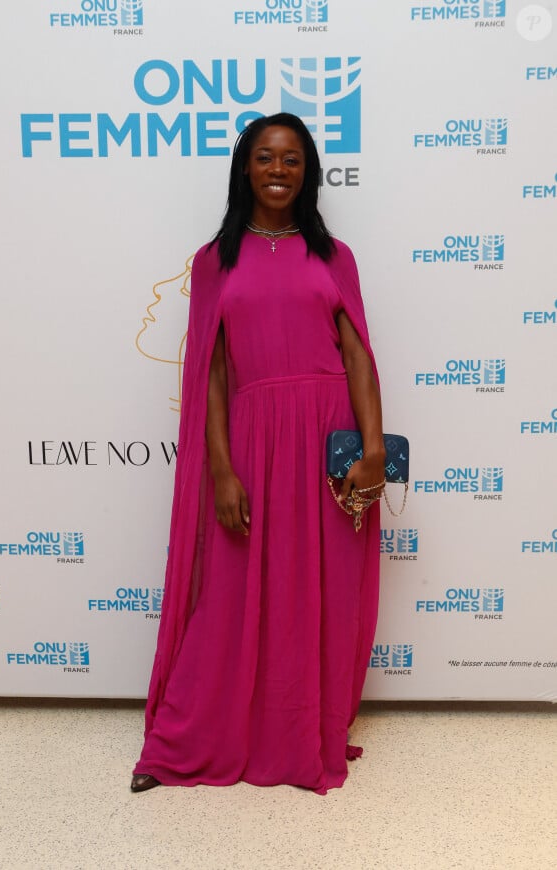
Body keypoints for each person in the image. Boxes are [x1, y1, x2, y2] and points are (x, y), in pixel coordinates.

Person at [131, 112, 385, 796]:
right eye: (266, 157)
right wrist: (220, 468)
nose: (279, 170)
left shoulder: (335, 258)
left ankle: (305, 732)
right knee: (233, 595)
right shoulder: (216, 260)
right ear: (245, 168)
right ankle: (185, 738)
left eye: (293, 160)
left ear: (309, 174)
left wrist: (372, 451)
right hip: (252, 440)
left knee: (319, 592)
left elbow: (358, 356)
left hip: (327, 440)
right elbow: (212, 372)